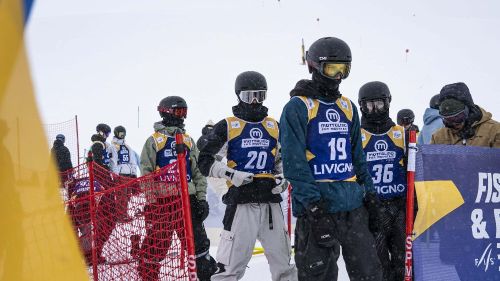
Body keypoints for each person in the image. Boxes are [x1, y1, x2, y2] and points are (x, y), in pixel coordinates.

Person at [279, 37, 382, 281]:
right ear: (314, 67)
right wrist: (314, 207)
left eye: (343, 70)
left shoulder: (348, 107)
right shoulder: (298, 106)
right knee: (318, 275)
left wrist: (371, 195)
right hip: (319, 208)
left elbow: (358, 157)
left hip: (352, 207)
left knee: (370, 272)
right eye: (332, 69)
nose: (337, 77)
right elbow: (294, 164)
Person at [198, 71, 297, 281]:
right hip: (241, 204)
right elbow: (205, 161)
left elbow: (282, 161)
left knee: (284, 266)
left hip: (270, 203)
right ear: (238, 96)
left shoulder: (273, 126)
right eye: (248, 96)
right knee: (230, 268)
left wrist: (283, 178)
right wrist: (232, 174)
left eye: (259, 96)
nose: (254, 102)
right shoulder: (229, 125)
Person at [137, 96, 217, 281]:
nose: (182, 116)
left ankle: (205, 276)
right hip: (163, 201)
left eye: (185, 112)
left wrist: (201, 199)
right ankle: (148, 275)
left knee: (197, 243)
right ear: (166, 112)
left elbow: (198, 172)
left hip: (187, 200)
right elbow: (146, 174)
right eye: (179, 112)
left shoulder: (188, 140)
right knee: (157, 244)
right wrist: (151, 201)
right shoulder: (154, 141)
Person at [358, 81, 407, 281]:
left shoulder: (401, 134)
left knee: (402, 260)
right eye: (369, 105)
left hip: (398, 206)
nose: (375, 110)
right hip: (372, 207)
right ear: (362, 106)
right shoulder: (357, 135)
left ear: (388, 103)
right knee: (377, 264)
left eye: (379, 104)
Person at [85, 123, 118, 265]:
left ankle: (94, 253)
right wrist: (107, 179)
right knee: (106, 220)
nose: (108, 136)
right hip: (102, 185)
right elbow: (97, 166)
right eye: (107, 133)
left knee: (105, 221)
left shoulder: (99, 144)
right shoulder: (98, 145)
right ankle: (93, 253)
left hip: (102, 183)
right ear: (102, 132)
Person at [431, 82, 500, 147]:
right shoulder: (438, 137)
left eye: (458, 117)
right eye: (448, 120)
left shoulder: (495, 131)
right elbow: (430, 159)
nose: (454, 123)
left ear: (468, 110)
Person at [111, 125, 140, 222]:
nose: (122, 135)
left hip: (128, 175)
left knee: (127, 196)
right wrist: (115, 174)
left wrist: (134, 173)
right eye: (120, 133)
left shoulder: (127, 147)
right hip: (120, 174)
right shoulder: (113, 146)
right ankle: (120, 216)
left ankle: (124, 213)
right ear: (116, 133)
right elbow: (113, 162)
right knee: (121, 196)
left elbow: (133, 160)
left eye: (123, 133)